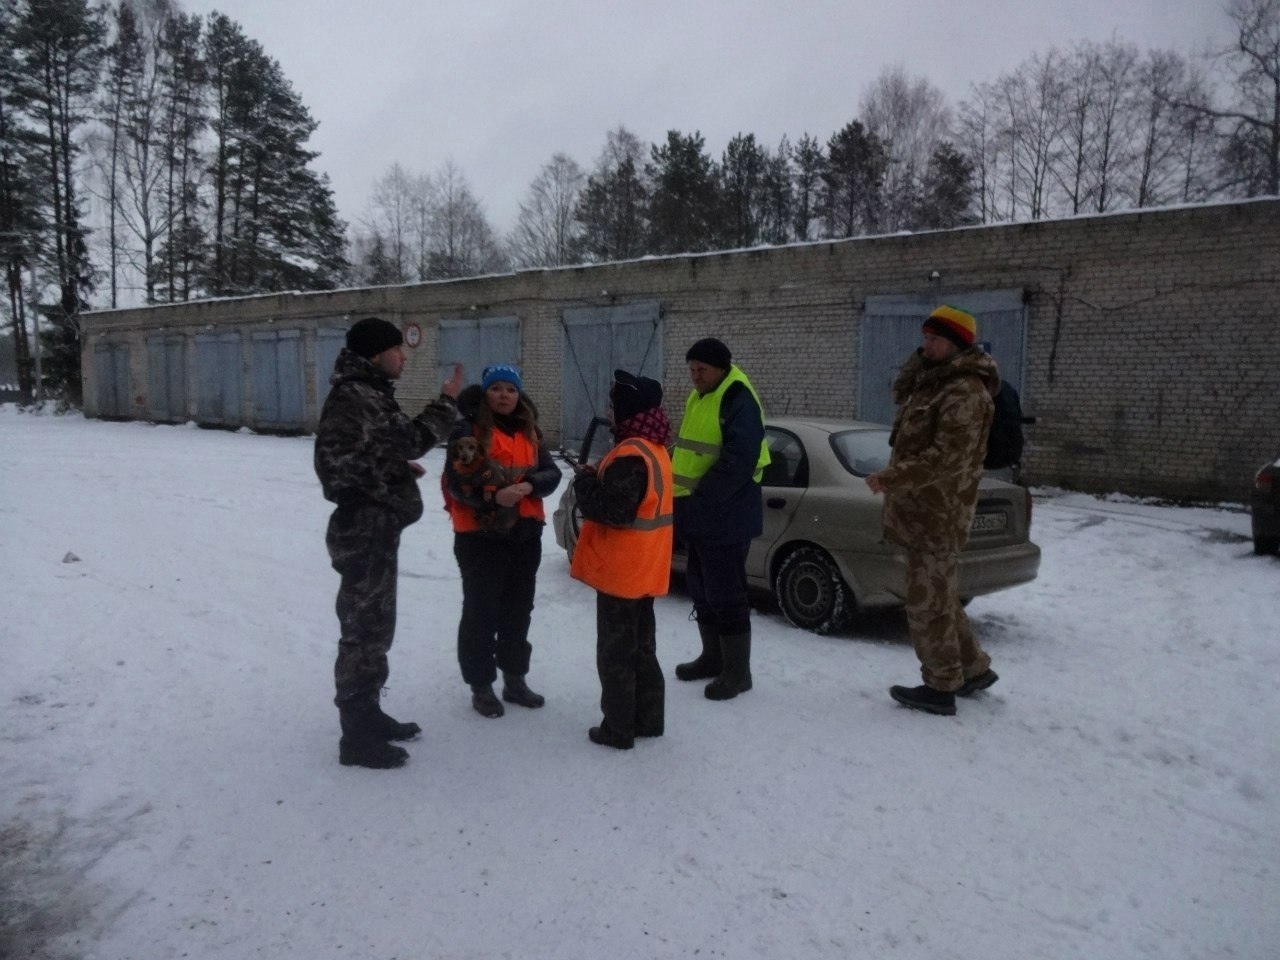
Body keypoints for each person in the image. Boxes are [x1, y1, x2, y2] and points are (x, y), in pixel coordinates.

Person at [314, 316, 462, 769]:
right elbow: (413, 438)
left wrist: (389, 465)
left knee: (375, 625)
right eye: (398, 350)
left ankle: (369, 714)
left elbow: (359, 451)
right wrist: (446, 402)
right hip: (364, 528)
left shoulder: (365, 391)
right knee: (364, 629)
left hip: (373, 524)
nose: (404, 356)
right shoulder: (359, 393)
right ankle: (356, 737)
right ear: (376, 354)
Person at [866, 304, 1001, 717]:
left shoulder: (963, 392)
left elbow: (948, 459)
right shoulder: (933, 381)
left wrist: (891, 477)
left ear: (958, 345)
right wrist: (921, 357)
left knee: (926, 601)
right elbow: (898, 391)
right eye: (924, 337)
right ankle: (973, 669)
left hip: (937, 514)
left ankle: (940, 687)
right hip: (920, 510)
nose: (926, 345)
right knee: (938, 595)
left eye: (935, 339)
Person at [443, 364, 561, 718]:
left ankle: (514, 679)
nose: (504, 396)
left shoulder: (530, 430)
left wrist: (529, 486)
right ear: (486, 393)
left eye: (510, 389)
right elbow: (455, 483)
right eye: (496, 389)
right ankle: (481, 685)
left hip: (524, 534)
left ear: (518, 394)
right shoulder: (469, 430)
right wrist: (493, 500)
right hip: (481, 535)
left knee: (517, 610)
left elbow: (551, 472)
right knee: (481, 612)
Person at [570, 370, 674, 750]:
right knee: (643, 650)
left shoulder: (631, 454)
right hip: (645, 569)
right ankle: (648, 720)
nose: (609, 412)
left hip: (622, 574)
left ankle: (618, 729)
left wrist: (584, 482)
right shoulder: (655, 449)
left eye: (614, 406)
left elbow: (613, 511)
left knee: (616, 654)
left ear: (627, 410)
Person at [670, 338, 770, 701]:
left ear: (722, 366)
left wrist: (702, 498)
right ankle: (713, 658)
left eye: (702, 370)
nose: (696, 376)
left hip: (726, 513)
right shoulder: (700, 396)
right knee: (701, 587)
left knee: (727, 593)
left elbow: (739, 460)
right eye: (692, 369)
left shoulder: (737, 397)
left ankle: (737, 673)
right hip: (700, 513)